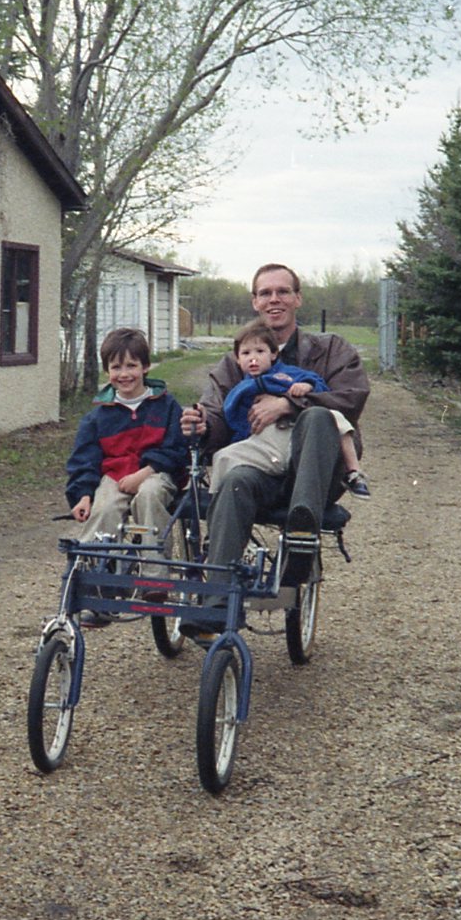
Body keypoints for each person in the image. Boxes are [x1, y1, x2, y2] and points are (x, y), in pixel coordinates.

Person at [178, 263, 370, 639]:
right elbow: (217, 413)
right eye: (265, 293)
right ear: (254, 302)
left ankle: (302, 533)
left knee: (316, 417)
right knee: (234, 480)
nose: (274, 299)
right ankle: (215, 608)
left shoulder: (331, 350)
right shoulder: (235, 361)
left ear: (298, 298)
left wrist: (288, 404)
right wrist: (203, 425)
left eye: (283, 291)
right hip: (263, 468)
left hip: (315, 473)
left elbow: (351, 397)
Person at [65, 326, 186, 626]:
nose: (124, 374)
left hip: (156, 472)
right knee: (103, 508)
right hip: (115, 475)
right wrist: (82, 494)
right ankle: (100, 587)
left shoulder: (166, 406)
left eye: (131, 365)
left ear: (145, 366)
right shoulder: (98, 415)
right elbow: (85, 460)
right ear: (107, 371)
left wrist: (145, 472)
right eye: (116, 367)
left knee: (149, 495)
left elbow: (175, 448)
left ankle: (154, 578)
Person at [212, 320, 369, 499]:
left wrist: (306, 388)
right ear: (238, 359)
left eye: (260, 351)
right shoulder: (241, 390)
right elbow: (231, 416)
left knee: (333, 416)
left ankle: (354, 472)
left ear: (273, 354)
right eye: (246, 353)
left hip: (299, 433)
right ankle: (218, 499)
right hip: (266, 439)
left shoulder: (286, 374)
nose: (253, 358)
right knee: (223, 457)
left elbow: (318, 383)